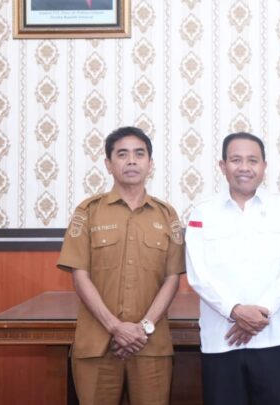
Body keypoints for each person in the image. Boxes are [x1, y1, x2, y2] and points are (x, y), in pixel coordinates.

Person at [57, 126, 184, 405]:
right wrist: (115, 327)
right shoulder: (88, 212)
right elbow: (80, 276)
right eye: (122, 154)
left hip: (150, 344)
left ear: (150, 163)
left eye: (139, 154)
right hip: (97, 344)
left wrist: (143, 328)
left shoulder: (166, 215)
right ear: (108, 164)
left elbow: (173, 278)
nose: (131, 161)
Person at [185, 132, 280, 405]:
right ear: (222, 165)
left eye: (252, 160)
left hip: (274, 336)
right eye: (236, 160)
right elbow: (198, 274)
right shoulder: (203, 212)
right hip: (221, 339)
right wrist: (235, 310)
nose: (244, 167)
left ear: (264, 166)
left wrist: (260, 313)